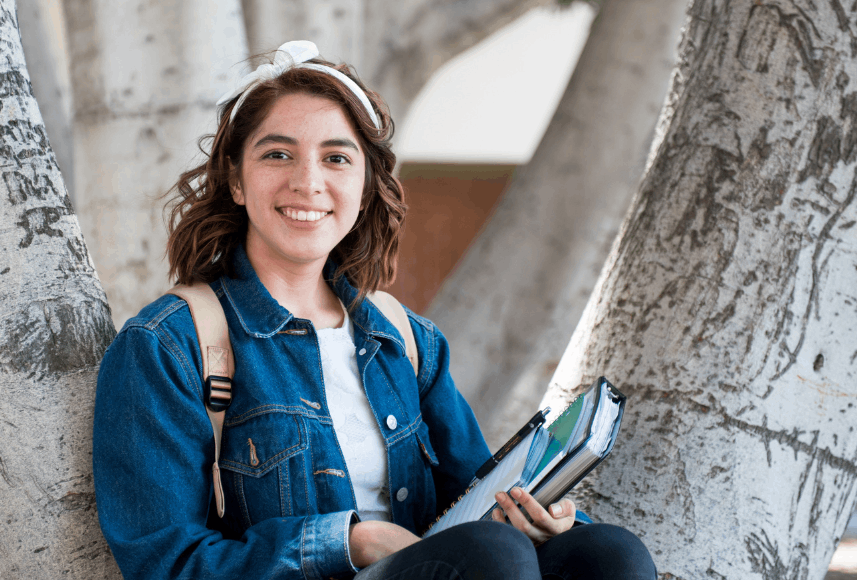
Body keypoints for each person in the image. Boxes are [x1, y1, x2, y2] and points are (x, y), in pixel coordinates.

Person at [93, 41, 655, 580]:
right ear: (237, 179)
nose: (308, 181)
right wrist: (348, 541)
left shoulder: (403, 338)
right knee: (491, 552)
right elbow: (165, 562)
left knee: (606, 551)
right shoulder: (169, 345)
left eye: (336, 158)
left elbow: (479, 488)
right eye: (277, 153)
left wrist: (541, 513)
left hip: (455, 567)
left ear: (363, 188)